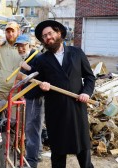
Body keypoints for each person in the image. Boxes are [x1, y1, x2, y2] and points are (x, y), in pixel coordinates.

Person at [34, 20, 95, 168]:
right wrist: (41, 86)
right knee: (58, 153)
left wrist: (86, 92)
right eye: (44, 36)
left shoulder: (76, 53)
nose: (48, 38)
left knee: (83, 151)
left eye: (50, 33)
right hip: (56, 112)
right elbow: (33, 88)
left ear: (59, 33)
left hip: (77, 108)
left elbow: (89, 77)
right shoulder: (41, 60)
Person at [14, 34, 44, 168]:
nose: (21, 49)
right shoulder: (27, 57)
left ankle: (31, 162)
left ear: (30, 45)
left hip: (36, 97)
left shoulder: (36, 57)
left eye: (23, 46)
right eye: (18, 46)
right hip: (30, 96)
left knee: (32, 128)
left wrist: (27, 69)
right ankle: (37, 154)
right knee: (35, 127)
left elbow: (42, 76)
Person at [0, 21, 24, 100]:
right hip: (1, 90)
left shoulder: (23, 47)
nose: (10, 34)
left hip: (17, 91)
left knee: (14, 112)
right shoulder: (0, 47)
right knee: (0, 112)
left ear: (18, 32)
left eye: (13, 31)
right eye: (8, 31)